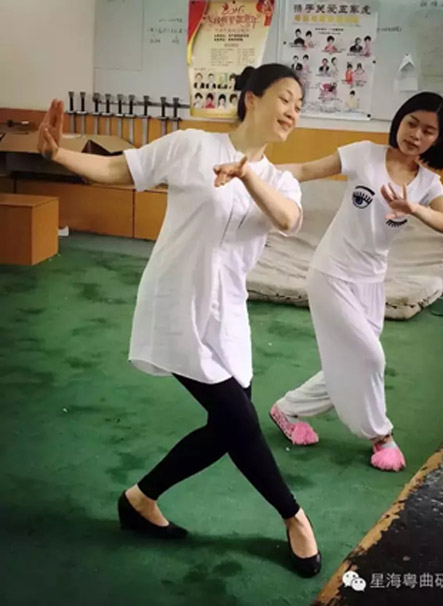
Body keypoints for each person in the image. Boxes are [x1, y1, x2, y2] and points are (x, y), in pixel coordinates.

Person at [37, 63, 321, 577]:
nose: (293, 112)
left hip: (229, 312)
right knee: (240, 421)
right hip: (176, 302)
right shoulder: (192, 145)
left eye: (299, 106)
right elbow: (121, 169)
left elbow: (288, 219)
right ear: (252, 99)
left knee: (227, 426)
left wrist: (248, 175)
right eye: (285, 98)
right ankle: (294, 517)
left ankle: (140, 499)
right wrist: (58, 154)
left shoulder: (280, 180)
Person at [269, 92, 443, 472]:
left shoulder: (428, 183)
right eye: (411, 123)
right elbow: (305, 169)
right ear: (399, 120)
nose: (416, 134)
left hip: (372, 281)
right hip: (332, 273)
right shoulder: (363, 155)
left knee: (352, 362)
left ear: (438, 139)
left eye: (428, 130)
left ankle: (288, 409)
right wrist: (256, 172)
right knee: (370, 358)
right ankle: (380, 436)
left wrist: (414, 208)